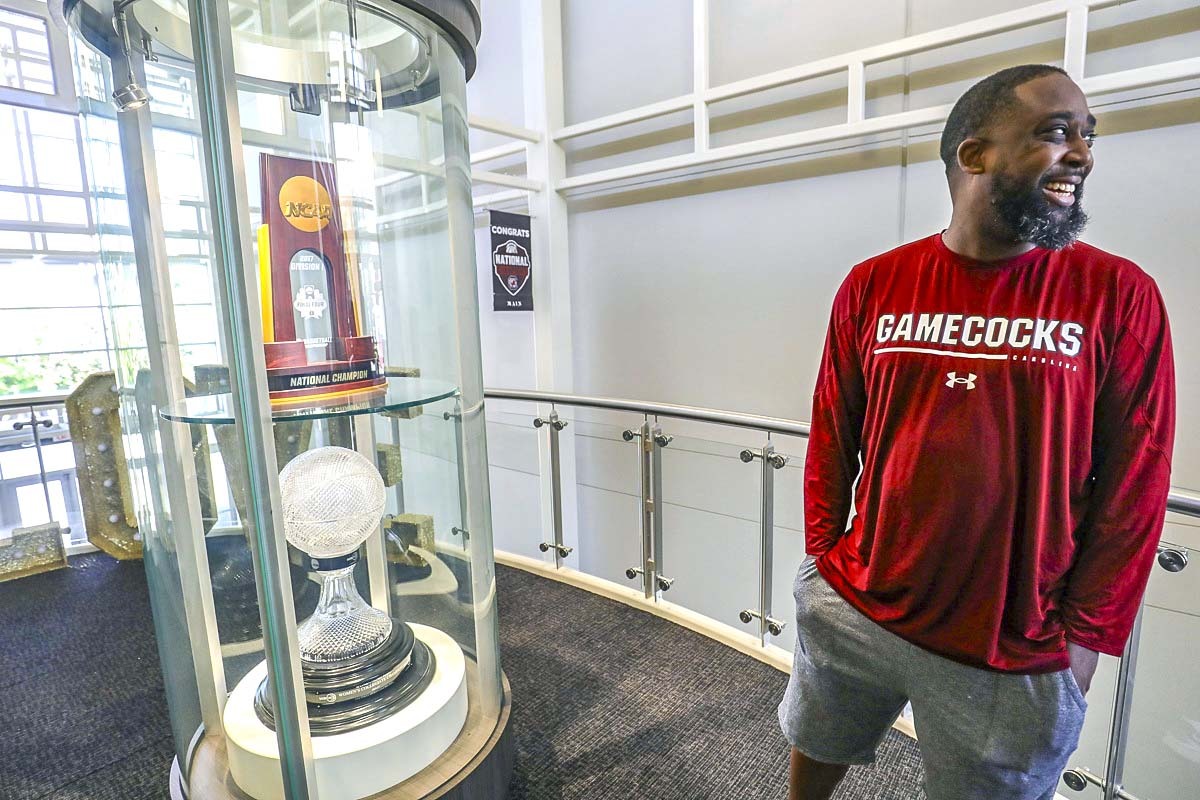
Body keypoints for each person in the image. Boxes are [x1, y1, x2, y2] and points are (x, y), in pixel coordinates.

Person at [779, 64, 1176, 800]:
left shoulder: (1119, 294)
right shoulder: (875, 282)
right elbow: (833, 432)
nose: (1083, 154)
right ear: (975, 155)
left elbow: (1138, 481)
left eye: (1088, 137)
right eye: (1057, 133)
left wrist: (1087, 639)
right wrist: (823, 561)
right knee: (817, 739)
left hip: (1016, 645)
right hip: (858, 603)